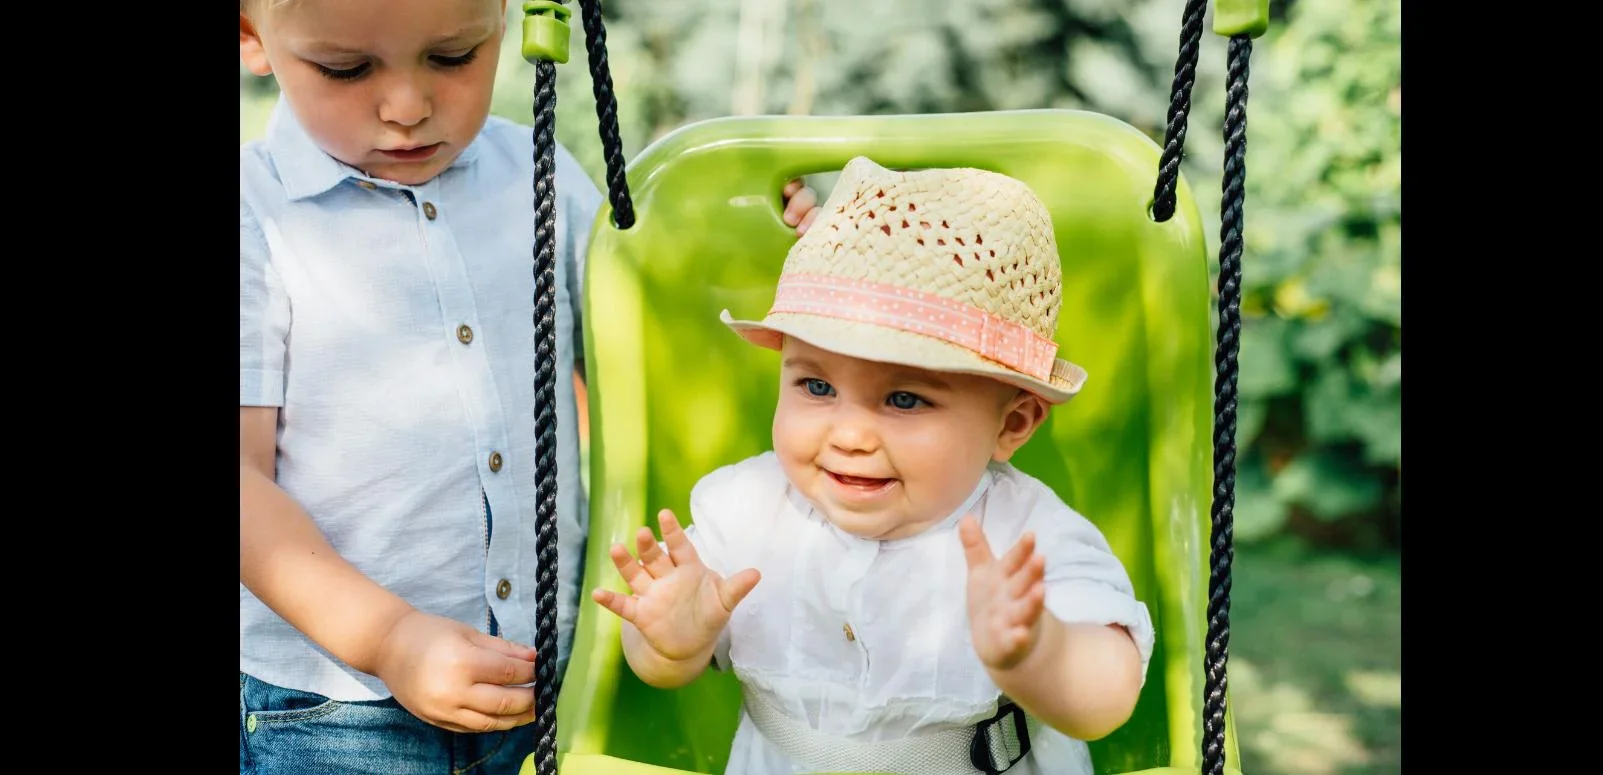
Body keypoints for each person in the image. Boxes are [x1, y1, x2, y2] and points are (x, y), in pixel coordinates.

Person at [237, 1, 819, 773]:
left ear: (505, 20)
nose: (407, 107)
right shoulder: (256, 215)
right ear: (252, 41)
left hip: (544, 670)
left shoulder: (541, 175)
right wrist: (387, 637)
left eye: (453, 57)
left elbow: (656, 341)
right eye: (346, 69)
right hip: (335, 709)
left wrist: (761, 252)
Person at [590, 156, 1157, 774]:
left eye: (905, 399)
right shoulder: (746, 513)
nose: (851, 434)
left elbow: (1108, 693)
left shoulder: (1024, 538)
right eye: (815, 387)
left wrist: (1035, 654)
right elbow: (659, 664)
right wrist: (673, 639)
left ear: (1012, 423)